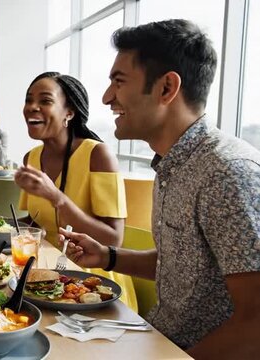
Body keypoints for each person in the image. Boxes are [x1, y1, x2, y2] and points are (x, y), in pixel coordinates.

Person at [59, 19, 260, 357]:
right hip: (155, 339)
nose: (107, 97)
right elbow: (184, 265)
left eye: (118, 82)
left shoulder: (227, 173)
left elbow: (255, 325)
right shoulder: (173, 164)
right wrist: (108, 256)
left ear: (167, 88)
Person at [0, 73, 137, 312]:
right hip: (45, 276)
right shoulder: (31, 158)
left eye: (45, 101)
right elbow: (34, 223)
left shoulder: (98, 155)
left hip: (91, 284)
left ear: (69, 112)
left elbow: (113, 239)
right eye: (28, 100)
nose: (32, 107)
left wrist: (57, 198)